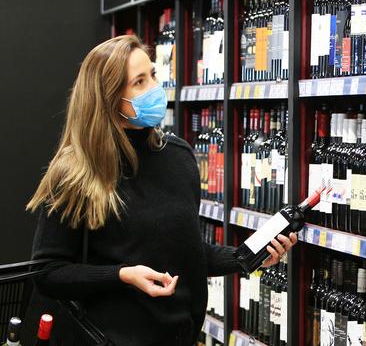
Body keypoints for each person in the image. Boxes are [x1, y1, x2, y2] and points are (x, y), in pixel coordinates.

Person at [27, 35, 298, 345]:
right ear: (109, 98)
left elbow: (185, 252)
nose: (154, 88)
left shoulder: (179, 157)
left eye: (152, 74)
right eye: (139, 82)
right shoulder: (77, 171)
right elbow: (48, 272)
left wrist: (247, 257)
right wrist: (122, 275)